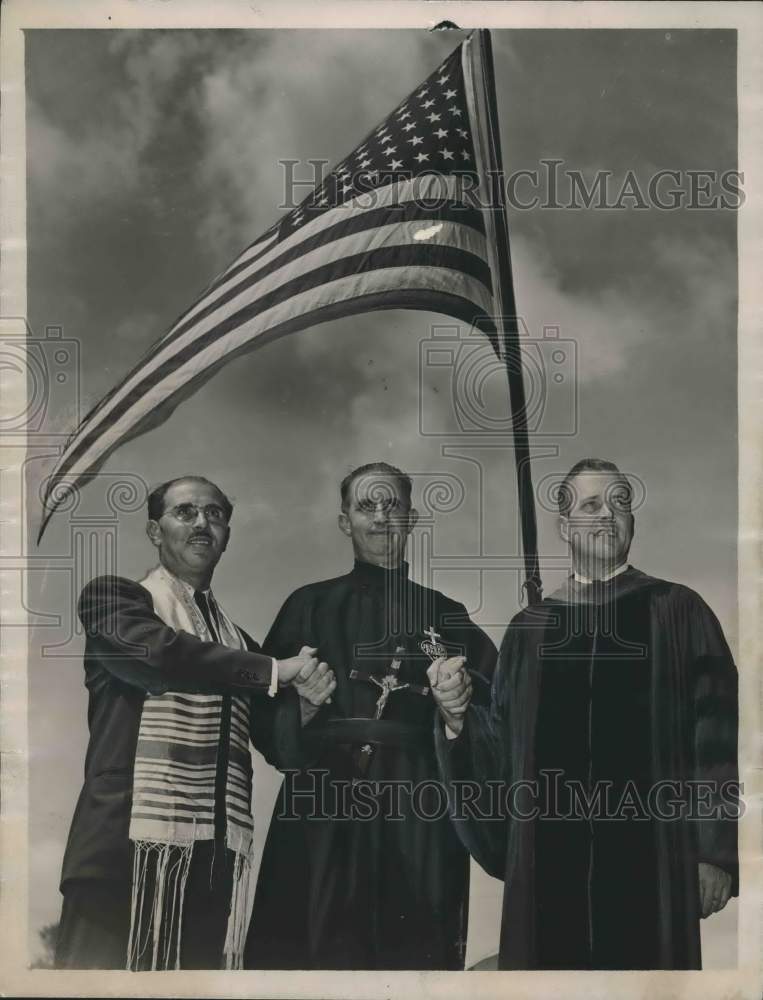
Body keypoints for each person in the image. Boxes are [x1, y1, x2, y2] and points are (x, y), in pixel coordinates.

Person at [432, 458, 739, 970]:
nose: (608, 515)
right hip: (549, 873)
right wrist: (457, 719)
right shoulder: (530, 629)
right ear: (564, 526)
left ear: (632, 521)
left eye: (621, 503)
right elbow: (503, 749)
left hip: (652, 864)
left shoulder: (678, 610)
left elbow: (717, 738)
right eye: (592, 505)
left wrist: (713, 852)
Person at [54, 475, 334, 971]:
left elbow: (279, 745)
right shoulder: (114, 600)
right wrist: (274, 670)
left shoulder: (235, 642)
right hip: (124, 846)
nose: (203, 523)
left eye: (215, 514)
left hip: (209, 863)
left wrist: (307, 704)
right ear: (154, 531)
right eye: (185, 512)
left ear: (226, 535)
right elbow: (159, 655)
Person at [244, 462, 497, 970]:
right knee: (311, 951)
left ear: (412, 518)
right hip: (322, 802)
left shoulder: (447, 616)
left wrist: (458, 714)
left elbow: (498, 714)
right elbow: (262, 717)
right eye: (366, 507)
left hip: (419, 807)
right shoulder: (309, 604)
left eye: (392, 505)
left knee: (415, 954)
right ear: (345, 522)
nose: (381, 517)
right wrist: (304, 707)